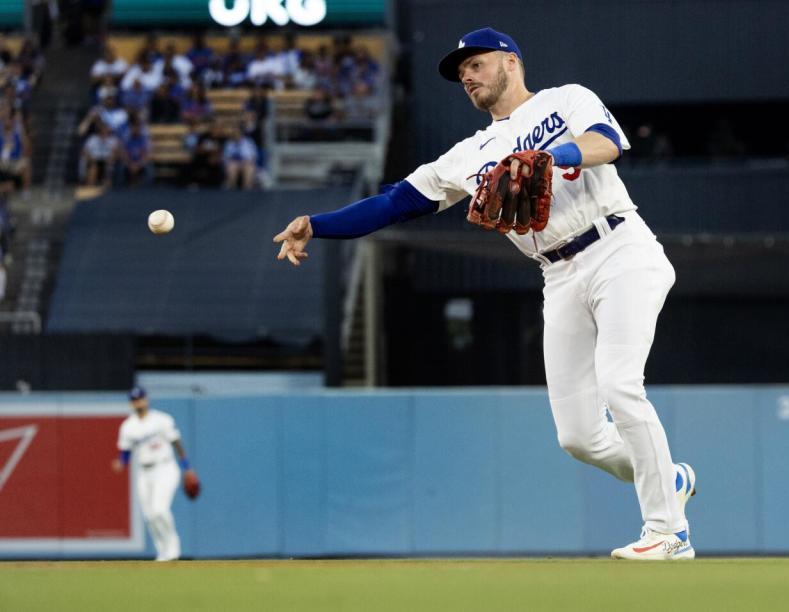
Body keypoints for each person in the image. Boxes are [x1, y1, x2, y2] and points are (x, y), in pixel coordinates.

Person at [273, 27, 698, 561]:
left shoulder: (565, 99)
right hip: (558, 275)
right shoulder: (469, 155)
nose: (466, 77)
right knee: (580, 437)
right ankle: (669, 479)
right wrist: (316, 224)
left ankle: (668, 530)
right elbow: (394, 203)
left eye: (475, 64)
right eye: (459, 73)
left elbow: (607, 143)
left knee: (619, 384)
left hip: (619, 249)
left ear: (511, 61)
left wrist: (554, 155)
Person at [111, 386, 195, 561]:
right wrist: (122, 463)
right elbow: (125, 452)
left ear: (146, 400)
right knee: (149, 515)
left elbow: (176, 442)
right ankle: (162, 552)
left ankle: (173, 548)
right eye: (134, 400)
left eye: (140, 398)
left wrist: (187, 467)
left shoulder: (161, 420)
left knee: (159, 509)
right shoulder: (128, 426)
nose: (137, 402)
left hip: (165, 468)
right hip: (144, 472)